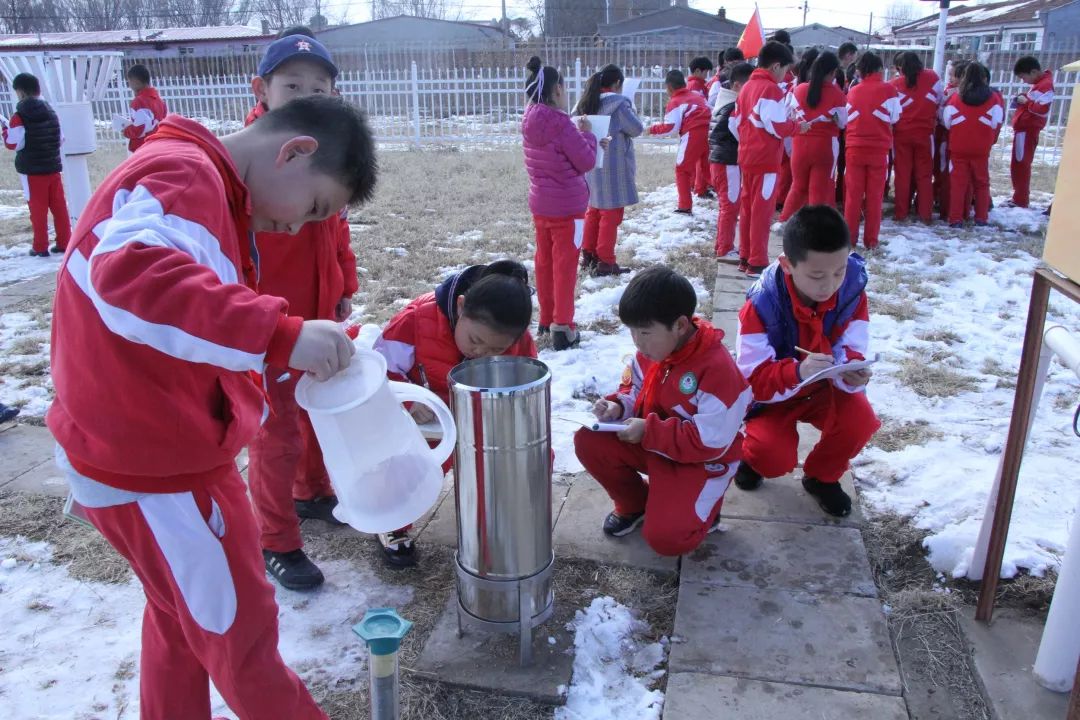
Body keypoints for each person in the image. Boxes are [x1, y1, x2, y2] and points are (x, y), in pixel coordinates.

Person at [47, 94, 377, 720]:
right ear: (294, 151)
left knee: (179, 623)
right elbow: (128, 274)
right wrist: (279, 334)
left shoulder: (193, 176)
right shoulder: (187, 177)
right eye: (314, 209)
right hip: (161, 470)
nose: (299, 228)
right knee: (241, 637)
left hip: (141, 453)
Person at [243, 33, 360, 591]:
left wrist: (343, 282)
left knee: (318, 409)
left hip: (319, 312)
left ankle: (311, 491)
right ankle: (275, 539)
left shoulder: (325, 155)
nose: (306, 95)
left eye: (319, 88)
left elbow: (336, 228)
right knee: (275, 430)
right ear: (261, 91)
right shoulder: (250, 165)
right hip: (269, 326)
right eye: (292, 86)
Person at [574, 266, 752, 556]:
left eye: (644, 332)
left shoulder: (718, 371)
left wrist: (648, 430)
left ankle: (705, 510)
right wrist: (617, 407)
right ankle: (635, 505)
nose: (637, 342)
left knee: (668, 540)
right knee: (588, 439)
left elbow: (710, 442)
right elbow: (633, 393)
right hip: (656, 445)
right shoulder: (651, 352)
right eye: (632, 331)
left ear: (680, 325)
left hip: (700, 461)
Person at [372, 260, 538, 565]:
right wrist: (409, 400)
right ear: (461, 307)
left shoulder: (518, 342)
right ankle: (392, 523)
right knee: (412, 466)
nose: (480, 352)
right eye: (475, 340)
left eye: (496, 350)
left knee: (519, 459)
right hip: (429, 421)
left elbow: (526, 388)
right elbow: (378, 373)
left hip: (486, 419)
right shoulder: (414, 323)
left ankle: (497, 526)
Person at [734, 205, 878, 517]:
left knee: (860, 420)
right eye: (817, 275)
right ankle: (750, 457)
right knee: (772, 458)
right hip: (775, 396)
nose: (830, 284)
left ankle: (821, 477)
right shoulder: (760, 304)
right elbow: (754, 378)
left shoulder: (852, 288)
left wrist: (853, 368)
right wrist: (798, 371)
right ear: (787, 265)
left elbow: (853, 342)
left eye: (839, 271)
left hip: (825, 388)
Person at [522, 56, 597, 352]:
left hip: (541, 204)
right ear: (556, 90)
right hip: (569, 208)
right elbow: (586, 161)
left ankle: (546, 317)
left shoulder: (529, 119)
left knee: (544, 262)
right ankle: (563, 326)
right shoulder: (562, 124)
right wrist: (589, 134)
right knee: (565, 266)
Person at [730, 42, 808, 278]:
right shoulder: (771, 90)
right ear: (776, 66)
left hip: (747, 156)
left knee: (748, 209)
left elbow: (735, 123)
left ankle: (745, 257)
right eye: (785, 69)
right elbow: (776, 125)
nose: (786, 75)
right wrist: (797, 127)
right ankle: (757, 261)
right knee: (762, 211)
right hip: (766, 160)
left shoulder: (746, 87)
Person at [575, 64, 643, 277]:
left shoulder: (585, 102)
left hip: (592, 163)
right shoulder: (619, 104)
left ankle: (588, 254)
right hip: (613, 166)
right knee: (611, 214)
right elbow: (636, 129)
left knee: (594, 210)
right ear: (617, 84)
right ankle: (605, 260)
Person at [2, 73, 70, 257]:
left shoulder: (19, 115)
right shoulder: (50, 111)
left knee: (37, 209)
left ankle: (40, 246)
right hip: (53, 166)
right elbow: (60, 138)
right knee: (59, 206)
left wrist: (4, 130)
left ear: (21, 92)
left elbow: (14, 143)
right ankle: (65, 241)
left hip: (32, 170)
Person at [780, 51, 847, 221]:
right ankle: (814, 228)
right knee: (818, 191)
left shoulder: (799, 89)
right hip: (825, 146)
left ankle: (783, 222)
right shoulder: (837, 93)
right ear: (833, 73)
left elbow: (788, 114)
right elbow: (843, 122)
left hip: (800, 143)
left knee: (797, 187)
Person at [843, 52, 901, 249]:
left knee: (853, 197)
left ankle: (849, 239)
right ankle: (871, 241)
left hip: (854, 148)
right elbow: (894, 117)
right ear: (878, 69)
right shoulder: (889, 90)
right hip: (878, 149)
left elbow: (848, 117)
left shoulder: (853, 91)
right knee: (874, 198)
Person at [942, 63, 1005, 227]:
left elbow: (947, 122)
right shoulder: (993, 99)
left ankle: (955, 218)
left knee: (958, 184)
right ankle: (981, 217)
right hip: (981, 147)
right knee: (982, 183)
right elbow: (997, 121)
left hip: (958, 146)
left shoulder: (955, 98)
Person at [708, 62, 753, 261]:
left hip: (721, 160)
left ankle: (721, 244)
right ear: (737, 85)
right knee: (730, 205)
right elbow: (739, 133)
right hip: (728, 161)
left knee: (727, 204)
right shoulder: (733, 106)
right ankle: (725, 248)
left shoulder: (723, 101)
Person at [649, 69, 711, 215]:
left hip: (692, 134)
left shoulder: (675, 101)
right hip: (708, 132)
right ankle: (729, 196)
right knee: (708, 170)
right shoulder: (696, 96)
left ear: (669, 87)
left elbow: (670, 128)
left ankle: (685, 206)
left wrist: (652, 129)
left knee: (682, 169)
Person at [889, 52, 942, 223]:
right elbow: (940, 100)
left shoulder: (894, 85)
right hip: (925, 133)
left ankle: (900, 213)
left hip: (901, 134)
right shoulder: (933, 78)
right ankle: (925, 214)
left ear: (900, 68)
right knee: (925, 175)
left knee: (902, 175)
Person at [1009, 55, 1054, 208]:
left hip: (1028, 130)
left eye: (1024, 77)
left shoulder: (1045, 85)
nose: (1024, 81)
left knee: (1021, 165)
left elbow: (1042, 110)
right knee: (1018, 164)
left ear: (1034, 72)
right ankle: (1019, 197)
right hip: (1024, 129)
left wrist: (1026, 102)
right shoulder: (1039, 84)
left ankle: (1020, 199)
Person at [936, 60, 968, 221]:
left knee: (951, 175)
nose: (950, 79)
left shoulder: (957, 96)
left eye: (953, 75)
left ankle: (950, 210)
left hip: (951, 139)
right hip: (950, 139)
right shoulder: (950, 91)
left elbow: (944, 119)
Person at [114, 64, 168, 153]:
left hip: (143, 147)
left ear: (136, 81)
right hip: (158, 144)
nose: (129, 85)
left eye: (129, 81)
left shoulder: (139, 101)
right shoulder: (159, 101)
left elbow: (140, 128)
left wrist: (126, 131)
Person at [688, 56, 716, 198]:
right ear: (698, 71)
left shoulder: (698, 86)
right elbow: (702, 105)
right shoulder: (695, 87)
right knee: (701, 158)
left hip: (699, 125)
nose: (707, 76)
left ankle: (700, 186)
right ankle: (699, 187)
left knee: (702, 158)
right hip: (698, 126)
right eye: (705, 73)